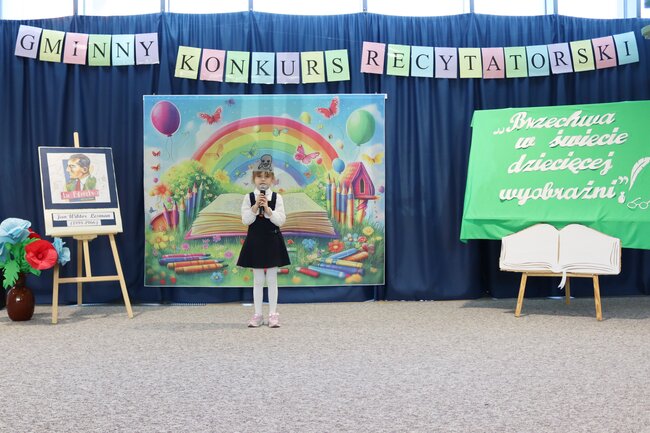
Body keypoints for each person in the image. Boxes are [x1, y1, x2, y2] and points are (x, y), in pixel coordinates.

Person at [236, 154, 290, 328]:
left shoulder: (277, 198)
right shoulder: (249, 198)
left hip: (272, 240)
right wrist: (255, 208)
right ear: (254, 179)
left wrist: (268, 209)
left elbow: (280, 221)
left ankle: (273, 314)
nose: (263, 179)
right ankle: (258, 314)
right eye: (259, 176)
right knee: (258, 280)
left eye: (267, 176)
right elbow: (246, 220)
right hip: (255, 241)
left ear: (272, 179)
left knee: (272, 279)